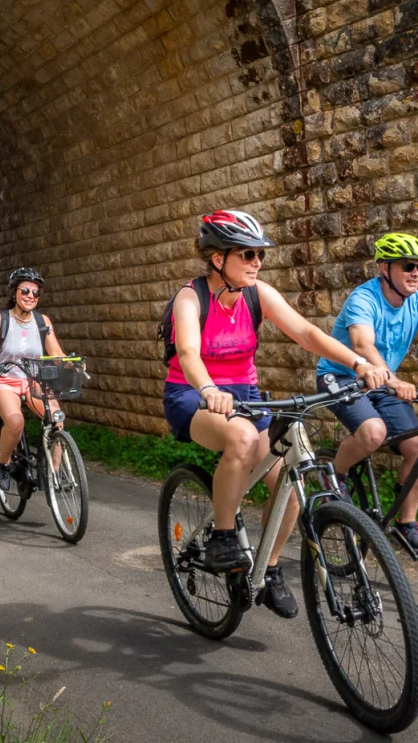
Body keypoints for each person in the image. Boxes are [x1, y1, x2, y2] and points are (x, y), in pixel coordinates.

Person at [164, 210, 387, 618]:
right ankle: (224, 535)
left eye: (259, 256)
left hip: (246, 396)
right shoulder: (190, 297)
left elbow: (307, 334)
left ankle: (266, 571)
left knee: (292, 478)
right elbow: (188, 353)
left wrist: (358, 363)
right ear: (218, 259)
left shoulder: (257, 294)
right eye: (247, 255)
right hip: (193, 395)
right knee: (242, 439)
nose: (257, 263)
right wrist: (209, 389)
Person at [316, 232, 418, 548]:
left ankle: (406, 523)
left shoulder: (414, 300)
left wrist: (389, 380)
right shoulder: (364, 299)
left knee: (416, 446)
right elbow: (363, 344)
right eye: (408, 265)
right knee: (373, 433)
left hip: (381, 382)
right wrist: (396, 382)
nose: (415, 272)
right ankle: (335, 474)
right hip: (342, 376)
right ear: (384, 269)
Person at [0, 267, 66, 494]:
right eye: (25, 290)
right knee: (16, 422)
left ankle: (54, 476)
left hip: (33, 379)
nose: (30, 296)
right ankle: (4, 463)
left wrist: (68, 362)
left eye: (35, 293)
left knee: (56, 418)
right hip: (5, 380)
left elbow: (55, 351)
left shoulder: (42, 321)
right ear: (15, 293)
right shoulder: (1, 320)